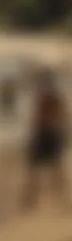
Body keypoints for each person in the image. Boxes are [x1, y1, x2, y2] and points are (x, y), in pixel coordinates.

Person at [21, 67, 70, 212]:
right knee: (41, 170)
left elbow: (60, 118)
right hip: (46, 135)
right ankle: (32, 199)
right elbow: (38, 120)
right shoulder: (45, 99)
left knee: (51, 170)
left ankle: (55, 198)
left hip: (48, 135)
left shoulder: (49, 99)